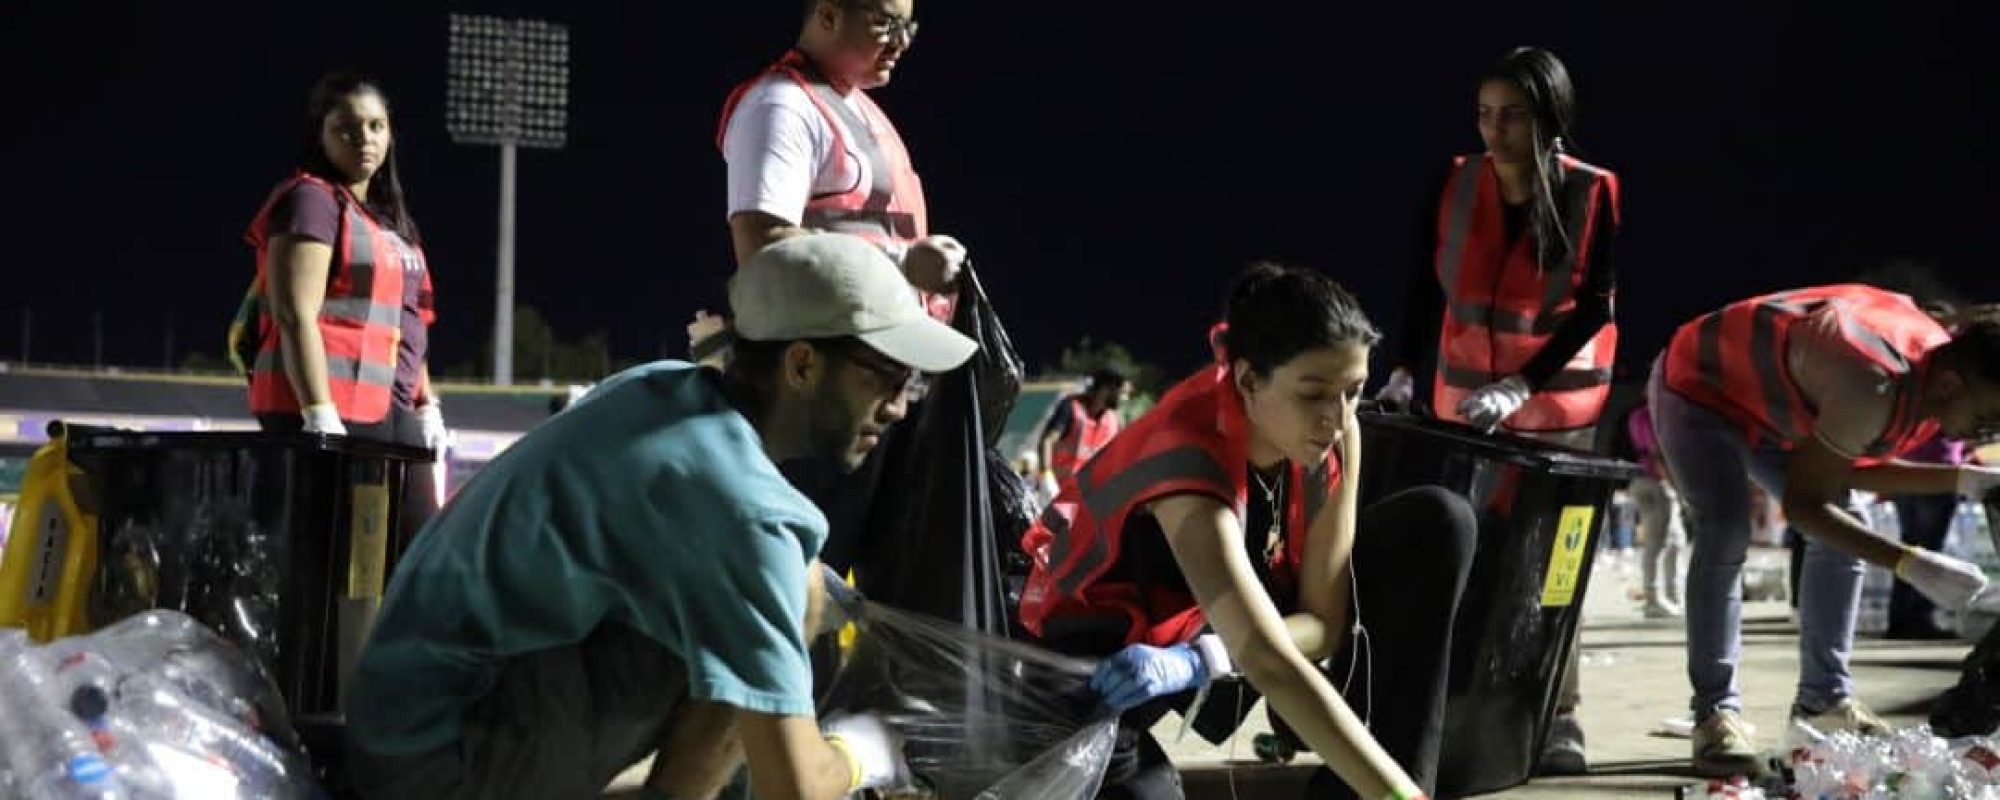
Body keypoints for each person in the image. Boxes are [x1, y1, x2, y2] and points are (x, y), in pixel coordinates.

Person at [341, 233, 978, 800]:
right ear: (803, 365)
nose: (899, 407)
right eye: (889, 379)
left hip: (400, 725)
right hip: (435, 767)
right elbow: (797, 788)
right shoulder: (749, 512)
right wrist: (866, 750)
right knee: (790, 600)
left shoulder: (662, 384)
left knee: (795, 588)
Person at [1019, 263, 1475, 800]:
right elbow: (1267, 658)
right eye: (1313, 394)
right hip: (1109, 666)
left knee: (1438, 523)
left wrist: (1204, 659)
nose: (1337, 416)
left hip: (1209, 641)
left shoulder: (1338, 432)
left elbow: (1324, 626)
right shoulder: (1188, 454)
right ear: (1247, 379)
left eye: (1353, 390)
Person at [1378, 45, 1620, 776]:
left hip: (1559, 409)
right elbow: (1425, 287)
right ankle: (1459, 708)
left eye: (1511, 116)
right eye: (1485, 114)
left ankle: (1557, 717)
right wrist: (1400, 371)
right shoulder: (1455, 182)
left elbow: (1593, 308)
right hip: (1461, 406)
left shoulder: (1592, 191)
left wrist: (1523, 383)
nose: (1494, 131)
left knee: (1550, 563)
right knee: (1467, 555)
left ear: (1548, 117)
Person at [1648, 283, 2000, 776]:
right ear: (1952, 385)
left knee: (1848, 526)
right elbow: (1805, 504)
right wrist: (1908, 562)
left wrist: (1966, 479)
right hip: (1701, 386)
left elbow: (1842, 469)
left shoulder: (1937, 378)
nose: (1981, 434)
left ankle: (1824, 702)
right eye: (1984, 417)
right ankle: (1715, 713)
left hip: (1778, 410)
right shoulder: (1875, 380)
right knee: (1725, 528)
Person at [230, 72, 445, 542]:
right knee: (324, 568)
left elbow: (410, 318)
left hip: (390, 408)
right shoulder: (311, 198)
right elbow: (294, 312)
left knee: (416, 554)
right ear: (320, 136)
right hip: (329, 408)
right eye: (345, 129)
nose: (363, 139)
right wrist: (318, 411)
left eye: (375, 126)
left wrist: (428, 405)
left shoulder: (394, 223)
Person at [715, 0, 965, 322]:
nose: (901, 42)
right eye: (887, 24)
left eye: (908, 29)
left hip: (879, 353)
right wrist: (903, 262)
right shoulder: (780, 105)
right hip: (825, 360)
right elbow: (763, 249)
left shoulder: (858, 107)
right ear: (828, 16)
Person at [1626, 400, 1688, 619]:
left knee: (1675, 539)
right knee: (1659, 542)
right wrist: (1676, 485)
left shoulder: (1637, 415)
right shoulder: (1651, 416)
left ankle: (1672, 595)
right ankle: (1654, 599)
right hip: (1656, 481)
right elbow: (1658, 453)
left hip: (1640, 479)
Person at [1038, 368, 1133, 497]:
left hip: (1087, 499)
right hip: (1056, 492)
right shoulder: (1071, 407)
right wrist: (1046, 476)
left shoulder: (1114, 422)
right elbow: (1047, 441)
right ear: (1106, 389)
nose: (1125, 399)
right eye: (1122, 393)